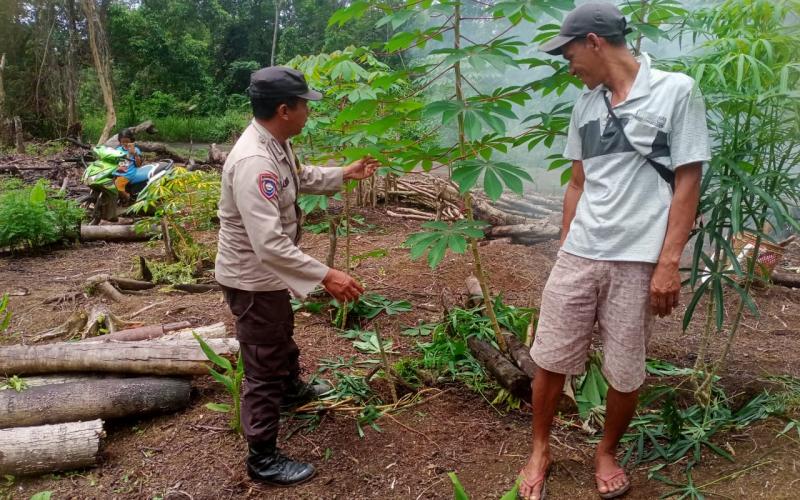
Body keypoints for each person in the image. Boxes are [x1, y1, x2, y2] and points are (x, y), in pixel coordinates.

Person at [518, 3, 710, 499]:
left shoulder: (676, 91)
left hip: (637, 258)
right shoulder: (585, 105)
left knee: (625, 369)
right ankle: (540, 448)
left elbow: (688, 181)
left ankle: (606, 452)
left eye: (568, 53)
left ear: (594, 42)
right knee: (550, 358)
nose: (568, 64)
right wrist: (564, 247)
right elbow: (577, 184)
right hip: (580, 253)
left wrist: (669, 262)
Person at [214, 66, 379, 487]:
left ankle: (291, 392)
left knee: (279, 336)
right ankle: (262, 457)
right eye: (305, 104)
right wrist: (326, 275)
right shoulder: (254, 161)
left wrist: (344, 172)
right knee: (263, 365)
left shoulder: (275, 144)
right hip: (253, 278)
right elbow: (269, 245)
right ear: (284, 110)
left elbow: (299, 178)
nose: (310, 111)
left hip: (267, 278)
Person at [113, 128, 146, 198]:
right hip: (118, 172)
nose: (125, 144)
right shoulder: (118, 149)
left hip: (128, 173)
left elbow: (138, 165)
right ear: (120, 141)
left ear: (131, 140)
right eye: (123, 142)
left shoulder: (136, 150)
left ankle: (127, 197)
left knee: (118, 184)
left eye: (127, 142)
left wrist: (135, 154)